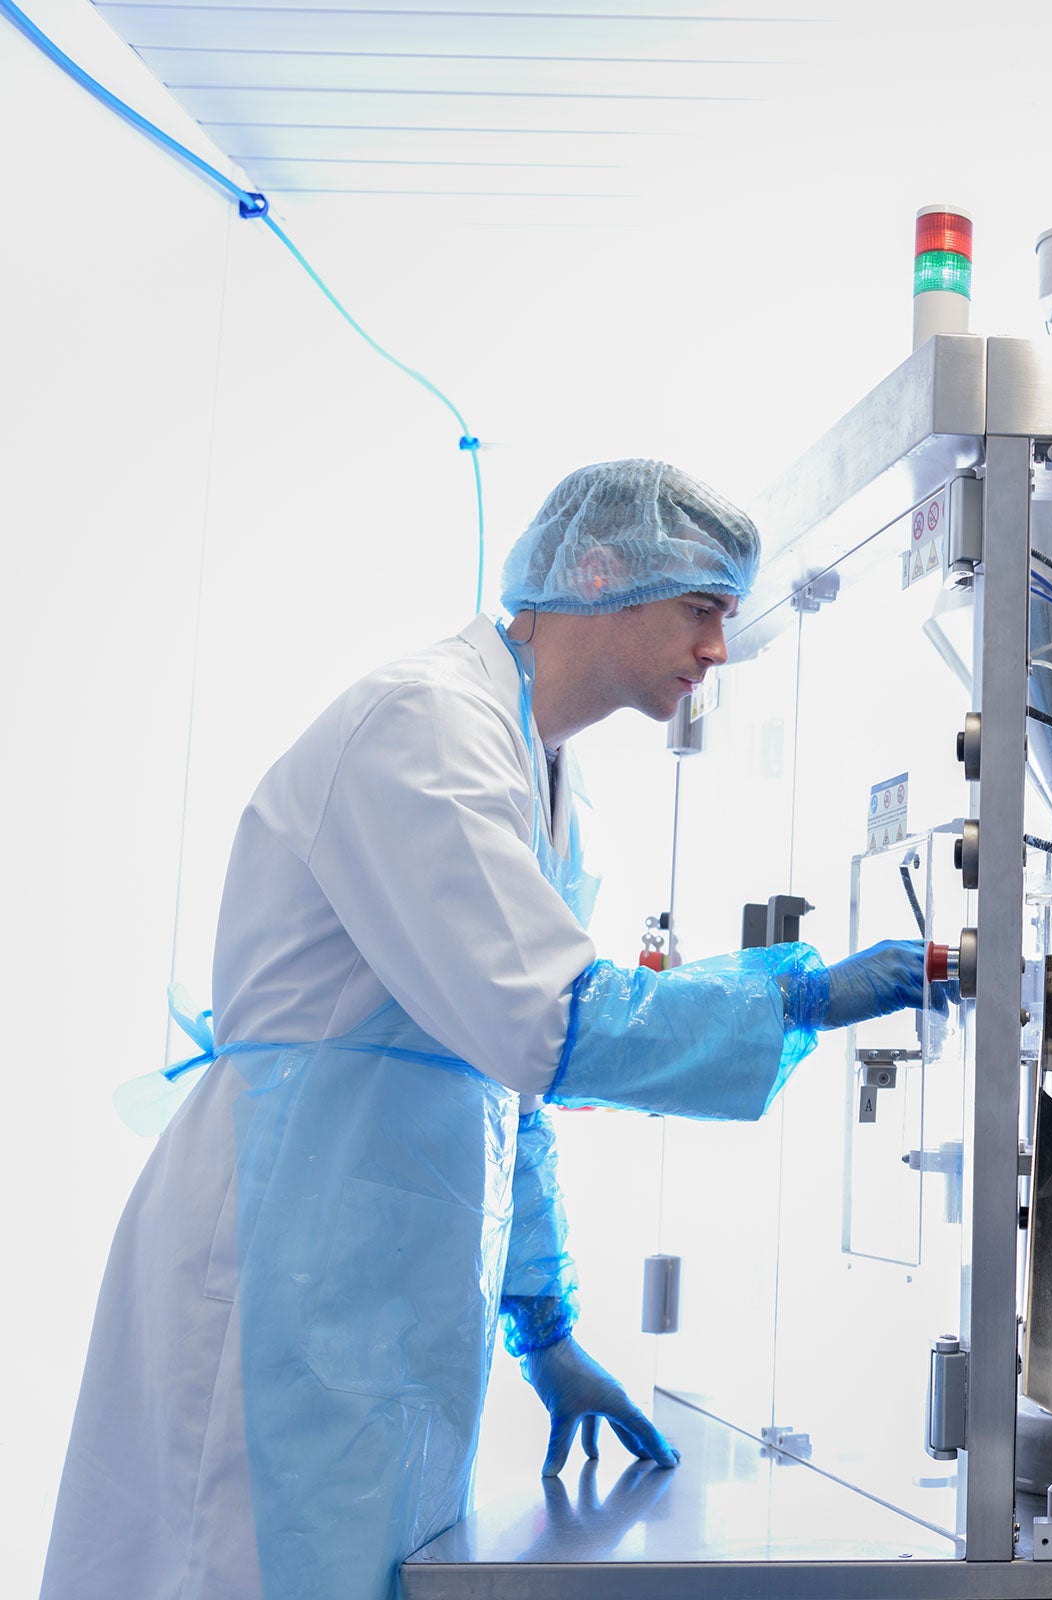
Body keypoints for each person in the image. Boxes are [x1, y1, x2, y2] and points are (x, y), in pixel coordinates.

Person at [41, 461, 945, 1600]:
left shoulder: (554, 795)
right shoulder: (421, 727)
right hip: (282, 1250)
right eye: (705, 607)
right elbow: (554, 1027)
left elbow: (505, 1091)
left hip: (396, 1284)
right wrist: (801, 994)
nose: (719, 646)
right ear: (603, 574)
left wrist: (542, 1316)